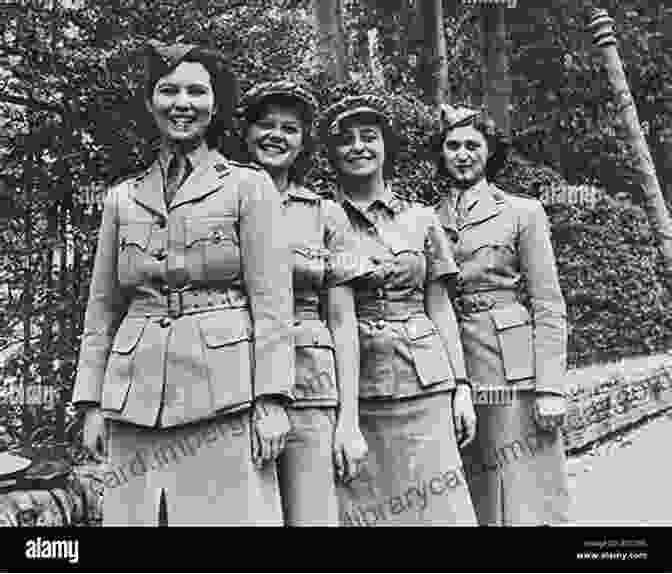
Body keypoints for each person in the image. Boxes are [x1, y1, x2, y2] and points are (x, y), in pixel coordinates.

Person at [72, 41, 295, 526]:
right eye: (168, 90)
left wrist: (272, 399)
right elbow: (102, 309)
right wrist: (91, 403)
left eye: (197, 91)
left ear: (215, 105)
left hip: (225, 397)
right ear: (151, 101)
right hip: (134, 402)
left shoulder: (248, 187)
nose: (182, 103)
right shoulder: (122, 199)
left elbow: (273, 303)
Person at [321, 94, 478, 526]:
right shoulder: (321, 218)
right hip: (359, 391)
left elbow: (440, 306)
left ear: (387, 146)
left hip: (426, 385)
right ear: (331, 153)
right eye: (346, 140)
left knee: (439, 510)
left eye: (369, 137)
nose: (358, 147)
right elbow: (334, 313)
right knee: (369, 511)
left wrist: (461, 386)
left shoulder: (421, 219)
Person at [432, 103, 571, 526]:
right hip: (451, 362)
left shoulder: (522, 212)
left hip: (512, 367)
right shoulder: (424, 218)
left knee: (525, 487)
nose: (462, 154)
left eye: (472, 145)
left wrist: (550, 387)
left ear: (490, 152)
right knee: (471, 487)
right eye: (452, 145)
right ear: (440, 154)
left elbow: (547, 303)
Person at [238, 80, 367, 526]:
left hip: (310, 387)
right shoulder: (217, 200)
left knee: (312, 518)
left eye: (289, 128)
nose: (276, 135)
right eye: (265, 125)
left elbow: (343, 320)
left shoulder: (325, 214)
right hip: (232, 384)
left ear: (303, 141)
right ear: (246, 132)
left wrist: (348, 422)